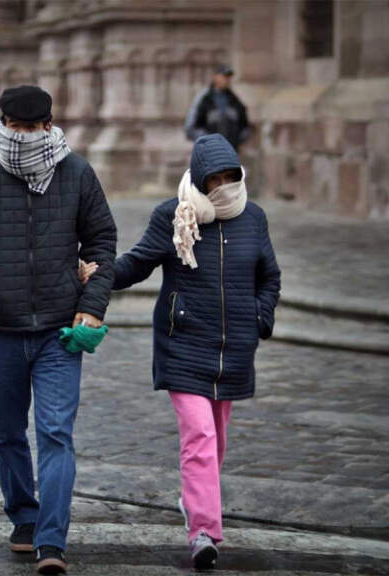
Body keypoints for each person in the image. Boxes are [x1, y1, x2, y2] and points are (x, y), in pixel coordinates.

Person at [0, 85, 117, 575]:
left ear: (48, 126)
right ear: (2, 124)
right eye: (14, 127)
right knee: (7, 431)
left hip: (60, 331)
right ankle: (24, 516)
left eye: (32, 128)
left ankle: (51, 541)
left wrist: (92, 304)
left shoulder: (77, 173)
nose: (23, 136)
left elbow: (102, 241)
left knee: (56, 432)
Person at [80, 134, 280, 571]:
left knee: (215, 441)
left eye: (230, 178)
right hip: (184, 345)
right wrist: (98, 276)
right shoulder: (174, 215)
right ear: (201, 178)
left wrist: (259, 317)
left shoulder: (253, 218)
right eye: (215, 179)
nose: (223, 187)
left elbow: (269, 277)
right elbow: (137, 263)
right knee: (200, 437)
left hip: (233, 351)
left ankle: (194, 499)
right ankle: (204, 532)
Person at [184, 64, 250, 151]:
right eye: (224, 76)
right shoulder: (203, 99)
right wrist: (208, 142)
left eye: (228, 77)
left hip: (230, 152)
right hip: (209, 153)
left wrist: (235, 141)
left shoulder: (235, 101)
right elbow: (190, 128)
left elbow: (245, 127)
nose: (226, 80)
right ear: (215, 77)